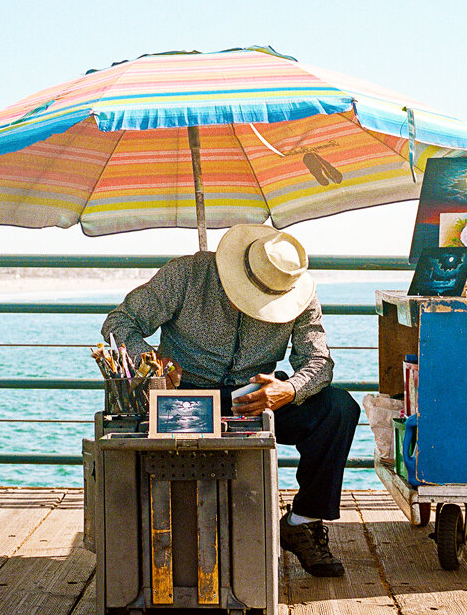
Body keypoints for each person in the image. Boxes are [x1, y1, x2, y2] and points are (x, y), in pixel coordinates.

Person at [102, 222, 360, 577]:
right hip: (184, 394)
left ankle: (304, 520)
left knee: (339, 408)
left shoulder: (300, 293)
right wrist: (152, 362)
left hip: (256, 399)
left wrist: (291, 389)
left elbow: (319, 362)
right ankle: (157, 530)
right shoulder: (187, 273)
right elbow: (119, 322)